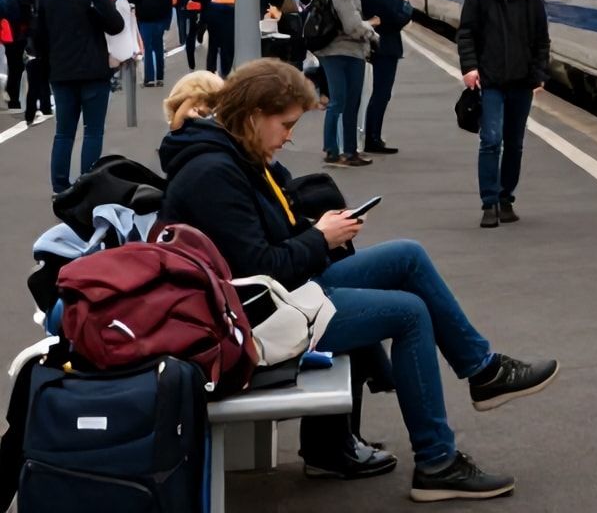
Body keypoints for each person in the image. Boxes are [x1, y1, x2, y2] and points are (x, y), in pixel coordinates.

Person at [156, 61, 557, 500]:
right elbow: (262, 265)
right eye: (286, 125)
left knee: (407, 256)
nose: (289, 137)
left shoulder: (232, 155)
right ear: (254, 116)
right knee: (409, 313)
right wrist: (320, 238)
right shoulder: (214, 173)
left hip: (275, 298)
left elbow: (263, 246)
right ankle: (437, 462)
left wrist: (318, 230)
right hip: (254, 320)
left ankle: (483, 371)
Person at [457, 0, 550, 229]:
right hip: (491, 80)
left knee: (514, 143)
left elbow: (541, 40)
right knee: (491, 140)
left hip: (522, 82)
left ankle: (506, 198)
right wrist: (470, 68)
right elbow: (466, 33)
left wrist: (539, 73)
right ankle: (489, 203)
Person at [32, 0, 125, 193]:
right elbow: (116, 25)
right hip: (93, 72)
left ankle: (60, 186)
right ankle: (88, 185)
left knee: (64, 133)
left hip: (61, 72)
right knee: (92, 132)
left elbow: (38, 36)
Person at [314, 0, 381, 167]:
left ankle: (332, 149)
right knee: (348, 102)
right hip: (346, 52)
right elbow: (352, 25)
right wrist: (372, 33)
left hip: (330, 51)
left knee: (337, 101)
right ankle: (348, 151)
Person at [358, 0, 414, 155]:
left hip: (375, 44)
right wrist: (407, 8)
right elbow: (397, 14)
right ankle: (373, 138)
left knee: (377, 92)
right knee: (381, 93)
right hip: (383, 46)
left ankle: (373, 136)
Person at [125, 0, 174, 87]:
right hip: (161, 16)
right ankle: (160, 77)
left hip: (145, 17)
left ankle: (149, 78)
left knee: (147, 46)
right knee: (158, 46)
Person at [20, 0, 53, 125]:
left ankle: (30, 113)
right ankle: (46, 107)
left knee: (33, 82)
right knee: (45, 78)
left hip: (35, 48)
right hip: (47, 48)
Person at [0, 0, 27, 110]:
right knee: (16, 64)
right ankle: (14, 98)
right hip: (16, 28)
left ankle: (11, 93)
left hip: (4, 26)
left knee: (10, 60)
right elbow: (22, 7)